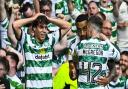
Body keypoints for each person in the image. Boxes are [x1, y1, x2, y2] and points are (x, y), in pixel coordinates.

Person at [12, 13, 71, 88]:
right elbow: (15, 25)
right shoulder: (26, 40)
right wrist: (33, 18)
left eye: (46, 28)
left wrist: (48, 18)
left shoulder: (50, 40)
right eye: (41, 27)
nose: (44, 31)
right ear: (34, 28)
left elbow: (68, 25)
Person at [74, 15, 120, 89]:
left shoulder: (79, 46)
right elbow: (118, 57)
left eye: (86, 28)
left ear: (89, 28)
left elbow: (113, 68)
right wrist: (105, 39)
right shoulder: (107, 47)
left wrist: (108, 79)